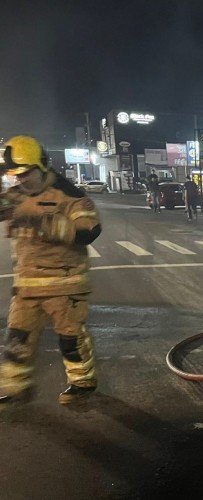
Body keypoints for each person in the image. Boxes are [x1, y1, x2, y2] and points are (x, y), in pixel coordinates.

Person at [0, 136, 102, 405]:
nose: (21, 180)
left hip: (65, 284)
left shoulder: (69, 195)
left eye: (25, 173)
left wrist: (47, 225)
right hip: (27, 286)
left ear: (42, 166)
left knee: (70, 338)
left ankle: (82, 382)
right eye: (15, 175)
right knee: (17, 338)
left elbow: (90, 230)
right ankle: (15, 386)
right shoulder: (16, 196)